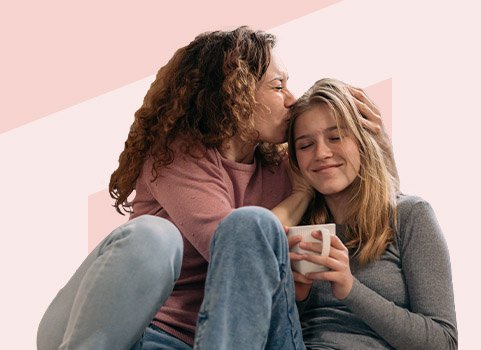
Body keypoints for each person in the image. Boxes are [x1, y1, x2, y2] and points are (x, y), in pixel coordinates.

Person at [36, 27, 389, 349]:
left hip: (246, 335)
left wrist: (376, 141)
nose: (291, 99)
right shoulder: (176, 158)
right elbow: (237, 245)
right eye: (278, 86)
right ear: (236, 94)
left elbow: (360, 196)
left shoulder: (284, 162)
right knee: (158, 234)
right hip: (160, 332)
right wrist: (300, 195)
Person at [286, 78, 458, 349]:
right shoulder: (298, 227)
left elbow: (443, 342)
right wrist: (296, 297)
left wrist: (350, 289)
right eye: (305, 145)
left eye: (336, 137)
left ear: (363, 141)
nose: (321, 153)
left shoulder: (411, 215)